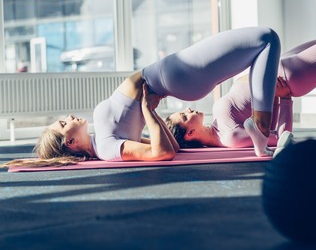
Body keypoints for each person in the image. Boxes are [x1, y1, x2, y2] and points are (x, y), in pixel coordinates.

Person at [1, 27, 281, 168]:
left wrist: (153, 112)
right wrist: (147, 112)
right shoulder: (107, 148)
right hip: (176, 74)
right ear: (71, 143)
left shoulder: (102, 139)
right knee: (266, 39)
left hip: (175, 76)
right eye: (62, 125)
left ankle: (260, 128)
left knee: (261, 47)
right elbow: (163, 153)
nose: (66, 119)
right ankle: (260, 128)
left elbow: (173, 147)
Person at [166, 33, 316, 149]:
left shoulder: (217, 125)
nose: (188, 109)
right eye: (184, 116)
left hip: (276, 65)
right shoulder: (230, 138)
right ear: (190, 133)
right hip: (287, 76)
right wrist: (285, 98)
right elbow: (282, 137)